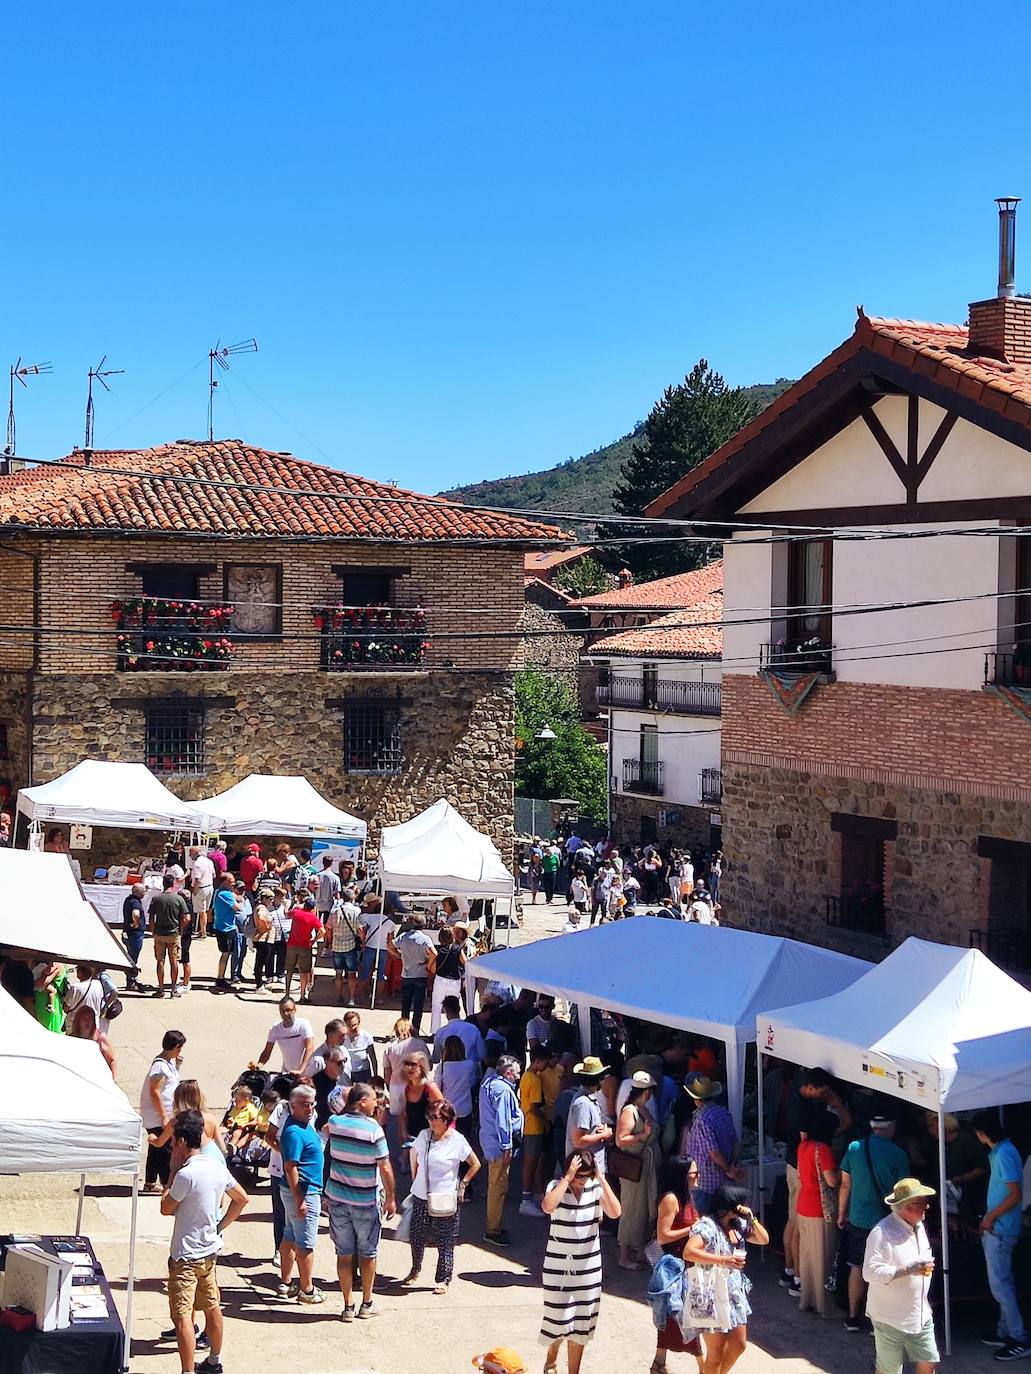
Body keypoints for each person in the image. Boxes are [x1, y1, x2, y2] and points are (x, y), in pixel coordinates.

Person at [160, 1109, 248, 1374]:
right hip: (209, 1254)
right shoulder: (216, 1167)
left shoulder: (186, 1174)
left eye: (174, 1141)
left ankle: (187, 1371)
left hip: (185, 1258)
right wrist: (220, 1226)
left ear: (183, 1142)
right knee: (212, 1306)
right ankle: (214, 1360)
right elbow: (241, 1198)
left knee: (182, 1316)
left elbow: (166, 1207)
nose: (172, 1146)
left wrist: (172, 1172)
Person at [540, 1151, 622, 1373]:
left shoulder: (595, 1188)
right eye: (578, 1176)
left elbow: (615, 1212)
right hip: (558, 1266)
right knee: (557, 1318)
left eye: (585, 1177)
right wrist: (567, 1178)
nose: (581, 1181)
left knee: (581, 1324)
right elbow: (547, 1207)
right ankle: (552, 1358)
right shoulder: (556, 1185)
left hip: (588, 1268)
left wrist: (601, 1178)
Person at [323, 1081, 396, 1320]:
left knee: (343, 1254)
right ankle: (367, 1302)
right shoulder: (374, 1129)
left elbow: (325, 1130)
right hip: (365, 1201)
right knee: (368, 1253)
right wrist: (391, 1198)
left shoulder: (334, 1123)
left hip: (337, 1199)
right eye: (373, 1099)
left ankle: (347, 1306)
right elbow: (384, 1167)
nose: (377, 1103)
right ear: (362, 1101)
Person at [684, 1185, 769, 1374]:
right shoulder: (708, 1226)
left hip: (734, 1293)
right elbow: (689, 1252)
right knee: (716, 1351)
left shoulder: (738, 1225)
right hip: (711, 1295)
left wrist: (752, 1218)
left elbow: (764, 1239)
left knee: (739, 1345)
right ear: (731, 1206)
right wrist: (724, 1260)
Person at [837, 1115, 909, 1333]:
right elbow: (904, 1193)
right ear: (891, 1127)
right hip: (885, 1221)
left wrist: (842, 1213)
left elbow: (845, 1185)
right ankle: (874, 1321)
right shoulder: (898, 1154)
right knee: (881, 1270)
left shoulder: (854, 1148)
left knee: (857, 1267)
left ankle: (852, 1316)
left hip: (858, 1218)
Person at [862, 1177, 939, 1374]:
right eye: (922, 1203)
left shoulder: (918, 1226)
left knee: (929, 1363)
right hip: (890, 1317)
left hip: (919, 1313)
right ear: (906, 1207)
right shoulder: (882, 1232)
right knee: (890, 1371)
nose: (927, 1207)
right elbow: (869, 1272)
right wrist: (908, 1269)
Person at [404, 1097, 480, 1294]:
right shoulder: (424, 1136)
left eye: (435, 1117)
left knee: (445, 1239)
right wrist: (415, 1179)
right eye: (429, 1116)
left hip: (446, 1196)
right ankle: (415, 1269)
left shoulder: (457, 1140)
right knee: (417, 1236)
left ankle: (443, 1278)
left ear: (446, 1119)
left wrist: (463, 1184)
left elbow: (475, 1163)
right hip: (422, 1194)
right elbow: (414, 1155)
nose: (431, 1120)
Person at [974, 1111, 1030, 1361]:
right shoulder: (1002, 1152)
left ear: (982, 1133)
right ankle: (1004, 1331)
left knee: (1001, 1286)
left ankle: (1018, 1338)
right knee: (1001, 1284)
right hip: (999, 1226)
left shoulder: (1005, 1154)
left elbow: (1014, 1194)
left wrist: (990, 1217)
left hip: (1001, 1229)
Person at [652, 1160, 704, 1373]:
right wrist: (692, 1228)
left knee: (677, 1318)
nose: (698, 1176)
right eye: (694, 1173)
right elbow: (663, 1236)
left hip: (690, 1266)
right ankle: (705, 1367)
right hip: (675, 1269)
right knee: (683, 1318)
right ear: (682, 1176)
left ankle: (658, 1363)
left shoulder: (687, 1197)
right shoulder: (670, 1199)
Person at [278, 1084, 325, 1304]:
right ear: (292, 1106)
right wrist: (300, 1199)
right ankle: (307, 1290)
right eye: (304, 1105)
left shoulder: (303, 1125)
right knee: (305, 1242)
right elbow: (290, 1167)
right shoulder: (294, 1132)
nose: (309, 1109)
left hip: (297, 1192)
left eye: (312, 1104)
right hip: (302, 1192)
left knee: (290, 1235)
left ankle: (286, 1282)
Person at [795, 1105, 839, 1318]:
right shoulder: (823, 1149)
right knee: (824, 1257)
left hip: (803, 1205)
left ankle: (807, 1299)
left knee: (808, 1256)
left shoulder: (803, 1146)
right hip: (820, 1209)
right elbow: (831, 1180)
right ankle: (824, 1305)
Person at [615, 1071, 660, 1270]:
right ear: (647, 1092)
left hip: (646, 1165)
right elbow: (620, 1140)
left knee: (645, 1209)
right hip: (635, 1166)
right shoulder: (630, 1111)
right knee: (632, 1209)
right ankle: (624, 1256)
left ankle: (641, 1251)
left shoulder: (641, 1108)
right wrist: (643, 1134)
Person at [480, 1053, 523, 1245]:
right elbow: (503, 1120)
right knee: (498, 1187)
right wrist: (507, 1146)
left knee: (496, 1185)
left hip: (490, 1142)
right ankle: (492, 1230)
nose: (519, 1076)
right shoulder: (503, 1091)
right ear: (508, 1073)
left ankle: (494, 1225)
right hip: (499, 1146)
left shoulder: (489, 1084)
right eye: (517, 1073)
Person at [682, 1076, 741, 1215]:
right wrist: (732, 1165)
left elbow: (713, 1153)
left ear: (697, 1099)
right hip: (724, 1183)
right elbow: (737, 1144)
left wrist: (727, 1169)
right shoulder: (724, 1113)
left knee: (705, 1223)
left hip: (706, 1183)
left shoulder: (702, 1119)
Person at [140, 1029, 186, 1192]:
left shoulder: (168, 1063)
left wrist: (178, 1065)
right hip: (158, 1115)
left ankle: (151, 1182)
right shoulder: (160, 1066)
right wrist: (164, 1115)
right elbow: (155, 1091)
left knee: (156, 1148)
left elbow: (171, 1084)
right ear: (175, 1047)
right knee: (165, 1149)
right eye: (179, 1048)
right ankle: (168, 1184)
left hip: (161, 1114)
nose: (180, 1051)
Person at [383, 1018, 431, 1158]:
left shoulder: (390, 1047)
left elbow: (387, 1072)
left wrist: (389, 1086)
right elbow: (429, 1064)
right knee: (412, 1118)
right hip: (414, 1085)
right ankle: (411, 1152)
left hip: (396, 1085)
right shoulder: (420, 1044)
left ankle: (399, 1151)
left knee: (398, 1119)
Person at [389, 913, 437, 1037]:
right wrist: (428, 963)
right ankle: (415, 1030)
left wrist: (398, 955)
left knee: (405, 1004)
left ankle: (403, 1030)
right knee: (418, 1005)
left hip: (406, 973)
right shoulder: (425, 939)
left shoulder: (404, 936)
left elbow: (389, 945)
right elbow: (434, 953)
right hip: (420, 974)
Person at [565, 1056, 613, 1174]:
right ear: (599, 1080)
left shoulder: (587, 1099)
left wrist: (600, 1130)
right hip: (585, 1170)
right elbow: (578, 1141)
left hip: (591, 1167)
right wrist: (604, 1135)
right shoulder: (583, 1103)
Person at [519, 1044, 551, 1216]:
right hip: (534, 1126)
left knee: (533, 1163)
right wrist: (545, 1122)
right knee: (531, 1164)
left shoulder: (526, 1076)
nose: (546, 1066)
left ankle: (533, 1196)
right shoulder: (535, 1080)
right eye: (544, 1062)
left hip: (528, 1126)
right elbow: (533, 1108)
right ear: (537, 1060)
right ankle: (526, 1199)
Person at [149, 873, 188, 998]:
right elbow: (186, 917)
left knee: (160, 961)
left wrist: (153, 931)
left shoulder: (156, 899)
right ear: (173, 884)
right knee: (174, 961)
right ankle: (173, 989)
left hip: (159, 934)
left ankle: (160, 989)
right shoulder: (179, 899)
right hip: (173, 933)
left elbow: (151, 917)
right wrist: (181, 930)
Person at [437, 1035, 480, 1142]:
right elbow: (472, 1082)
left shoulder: (442, 1067)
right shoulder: (469, 1065)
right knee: (464, 1140)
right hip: (465, 1108)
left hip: (447, 1109)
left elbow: (437, 1087)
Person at [325, 884, 363, 1006]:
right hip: (351, 946)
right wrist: (363, 941)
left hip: (337, 945)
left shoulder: (334, 912)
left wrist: (329, 943)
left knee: (338, 973)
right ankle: (351, 998)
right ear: (353, 899)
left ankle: (339, 995)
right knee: (352, 973)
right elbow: (360, 930)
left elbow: (328, 929)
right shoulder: (356, 911)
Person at [256, 997, 315, 1074]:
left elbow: (310, 1047)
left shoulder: (303, 1024)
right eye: (282, 1011)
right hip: (287, 1072)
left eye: (288, 1010)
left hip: (306, 1072)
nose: (285, 1014)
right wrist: (258, 1065)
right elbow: (267, 1051)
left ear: (295, 1010)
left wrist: (300, 1070)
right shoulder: (275, 1029)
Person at [284, 894, 323, 1003]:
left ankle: (287, 994)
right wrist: (314, 940)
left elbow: (287, 913)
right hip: (305, 946)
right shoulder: (313, 917)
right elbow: (323, 931)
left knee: (289, 970)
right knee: (303, 972)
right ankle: (302, 995)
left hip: (292, 944)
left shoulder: (296, 913)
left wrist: (295, 904)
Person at [404, 1051, 444, 1148]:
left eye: (412, 1064)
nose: (408, 1067)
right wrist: (403, 1132)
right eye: (406, 1064)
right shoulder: (407, 1088)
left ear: (421, 1067)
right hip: (411, 1139)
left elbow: (444, 1113)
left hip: (429, 1141)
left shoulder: (430, 1088)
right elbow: (405, 1113)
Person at [431, 995, 486, 1065]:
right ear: (459, 1009)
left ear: (444, 1010)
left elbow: (436, 1058)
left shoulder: (440, 1033)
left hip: (448, 1072)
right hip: (470, 1071)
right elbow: (482, 1054)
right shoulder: (473, 1029)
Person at [431, 927, 464, 1035]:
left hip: (441, 979)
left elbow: (433, 967)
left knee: (436, 1006)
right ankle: (454, 1031)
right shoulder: (457, 949)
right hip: (454, 980)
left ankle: (435, 1032)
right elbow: (465, 962)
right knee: (453, 1007)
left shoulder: (438, 950)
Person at [212, 874, 242, 991]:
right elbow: (237, 907)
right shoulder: (225, 894)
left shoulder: (219, 891)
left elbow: (235, 896)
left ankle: (221, 977)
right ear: (224, 882)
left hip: (223, 926)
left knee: (228, 953)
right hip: (226, 928)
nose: (234, 884)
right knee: (226, 953)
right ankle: (220, 979)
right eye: (231, 882)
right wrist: (242, 901)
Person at [341, 1009, 378, 1083]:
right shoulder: (341, 1038)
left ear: (359, 1023)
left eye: (355, 1025)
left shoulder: (366, 1036)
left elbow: (373, 1058)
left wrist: (375, 1076)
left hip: (363, 1073)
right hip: (347, 1072)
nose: (353, 1028)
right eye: (349, 1025)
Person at [121, 884, 147, 990]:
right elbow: (136, 913)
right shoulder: (135, 902)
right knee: (132, 959)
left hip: (127, 933)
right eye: (143, 891)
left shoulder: (128, 900)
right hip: (135, 935)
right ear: (137, 892)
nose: (145, 894)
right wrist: (136, 923)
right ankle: (131, 981)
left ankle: (131, 979)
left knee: (130, 957)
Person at [189, 846, 216, 940]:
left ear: (195, 853)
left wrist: (194, 890)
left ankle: (203, 932)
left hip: (201, 887)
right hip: (209, 886)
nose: (189, 855)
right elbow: (214, 875)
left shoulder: (197, 864)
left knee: (202, 911)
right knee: (207, 909)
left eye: (191, 853)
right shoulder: (209, 861)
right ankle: (205, 929)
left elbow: (197, 879)